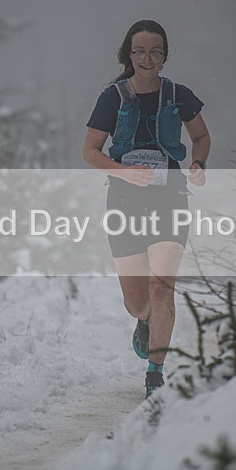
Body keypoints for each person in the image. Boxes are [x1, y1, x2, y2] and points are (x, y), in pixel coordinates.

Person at [83, 20, 212, 399]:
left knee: (161, 289)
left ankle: (155, 373)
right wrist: (124, 171)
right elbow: (89, 152)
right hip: (124, 201)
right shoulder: (113, 97)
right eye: (139, 51)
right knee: (138, 302)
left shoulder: (178, 95)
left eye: (155, 51)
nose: (147, 58)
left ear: (164, 56)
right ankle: (143, 322)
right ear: (129, 54)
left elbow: (201, 136)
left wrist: (199, 164)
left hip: (170, 198)